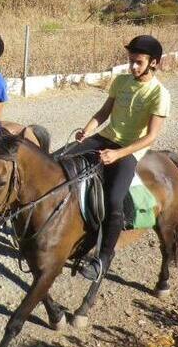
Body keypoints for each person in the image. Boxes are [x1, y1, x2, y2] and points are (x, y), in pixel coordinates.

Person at [70, 34, 171, 281]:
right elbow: (104, 111)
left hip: (129, 149)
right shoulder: (122, 81)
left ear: (153, 62)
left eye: (138, 62)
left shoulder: (159, 94)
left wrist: (117, 154)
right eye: (131, 61)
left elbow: (150, 137)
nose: (133, 66)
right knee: (59, 162)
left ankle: (104, 257)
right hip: (105, 137)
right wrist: (87, 131)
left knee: (114, 200)